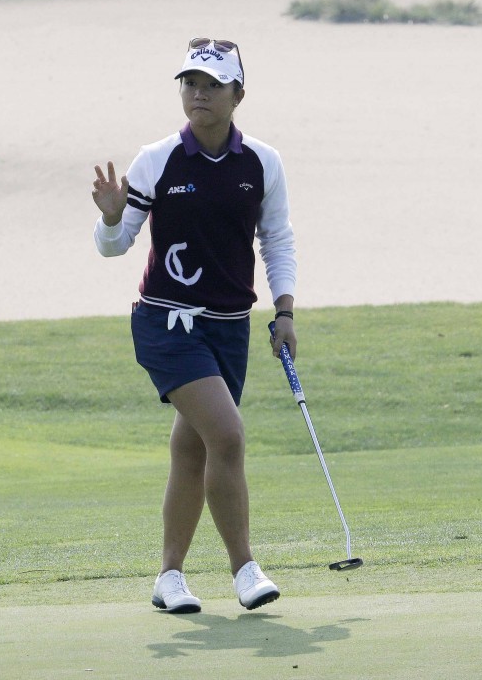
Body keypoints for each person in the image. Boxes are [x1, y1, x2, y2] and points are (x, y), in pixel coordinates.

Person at [90, 37, 297, 613]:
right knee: (226, 436)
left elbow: (275, 239)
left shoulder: (262, 162)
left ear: (238, 95)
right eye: (190, 84)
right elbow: (115, 245)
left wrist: (284, 311)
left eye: (211, 85)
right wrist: (111, 219)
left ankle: (168, 578)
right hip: (167, 324)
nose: (198, 94)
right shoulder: (156, 159)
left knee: (193, 450)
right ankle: (245, 568)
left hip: (230, 327)